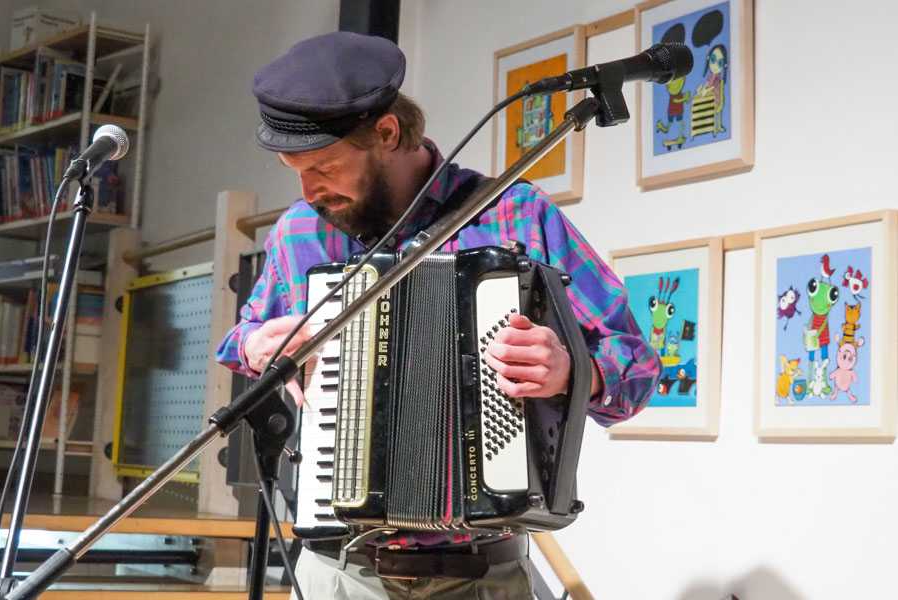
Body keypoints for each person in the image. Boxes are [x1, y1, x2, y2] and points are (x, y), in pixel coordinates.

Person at [216, 31, 660, 600]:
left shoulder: (513, 215)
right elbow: (243, 339)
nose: (308, 190)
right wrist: (259, 346)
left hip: (482, 571)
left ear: (386, 133)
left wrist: (576, 370)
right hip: (339, 571)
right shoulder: (302, 232)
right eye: (293, 169)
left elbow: (637, 365)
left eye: (324, 166)